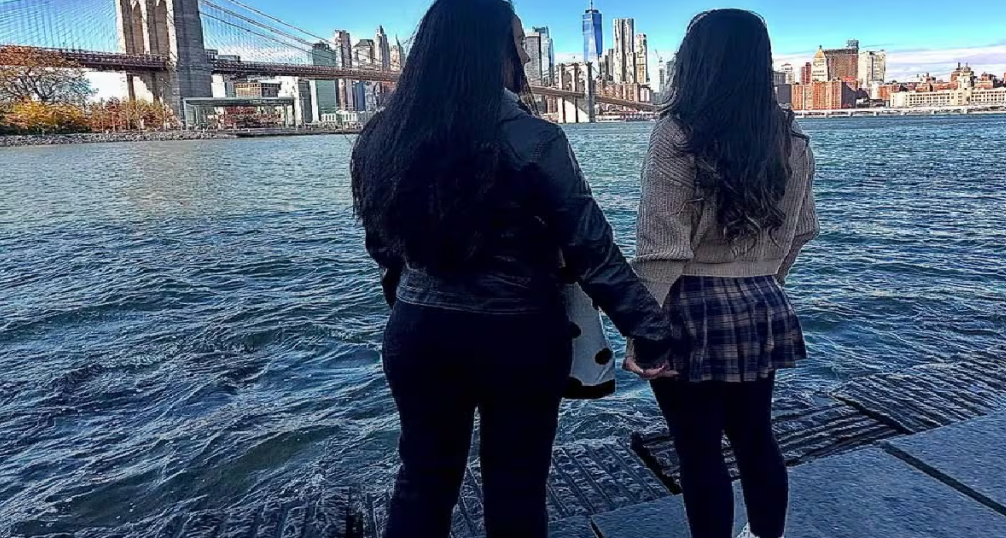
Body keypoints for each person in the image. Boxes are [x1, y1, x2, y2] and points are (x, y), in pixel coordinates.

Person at [350, 0, 674, 536]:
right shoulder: (535, 138)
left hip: (418, 332)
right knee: (516, 488)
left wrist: (409, 302)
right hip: (519, 336)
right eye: (519, 43)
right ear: (494, 50)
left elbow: (380, 242)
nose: (523, 55)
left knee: (422, 482)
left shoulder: (381, 135)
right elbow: (592, 249)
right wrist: (651, 333)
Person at [628, 9, 820, 538]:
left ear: (694, 63)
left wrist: (642, 331)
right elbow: (803, 229)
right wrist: (765, 279)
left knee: (698, 451)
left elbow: (661, 249)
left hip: (689, 305)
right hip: (762, 302)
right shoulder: (792, 138)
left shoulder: (677, 134)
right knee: (756, 438)